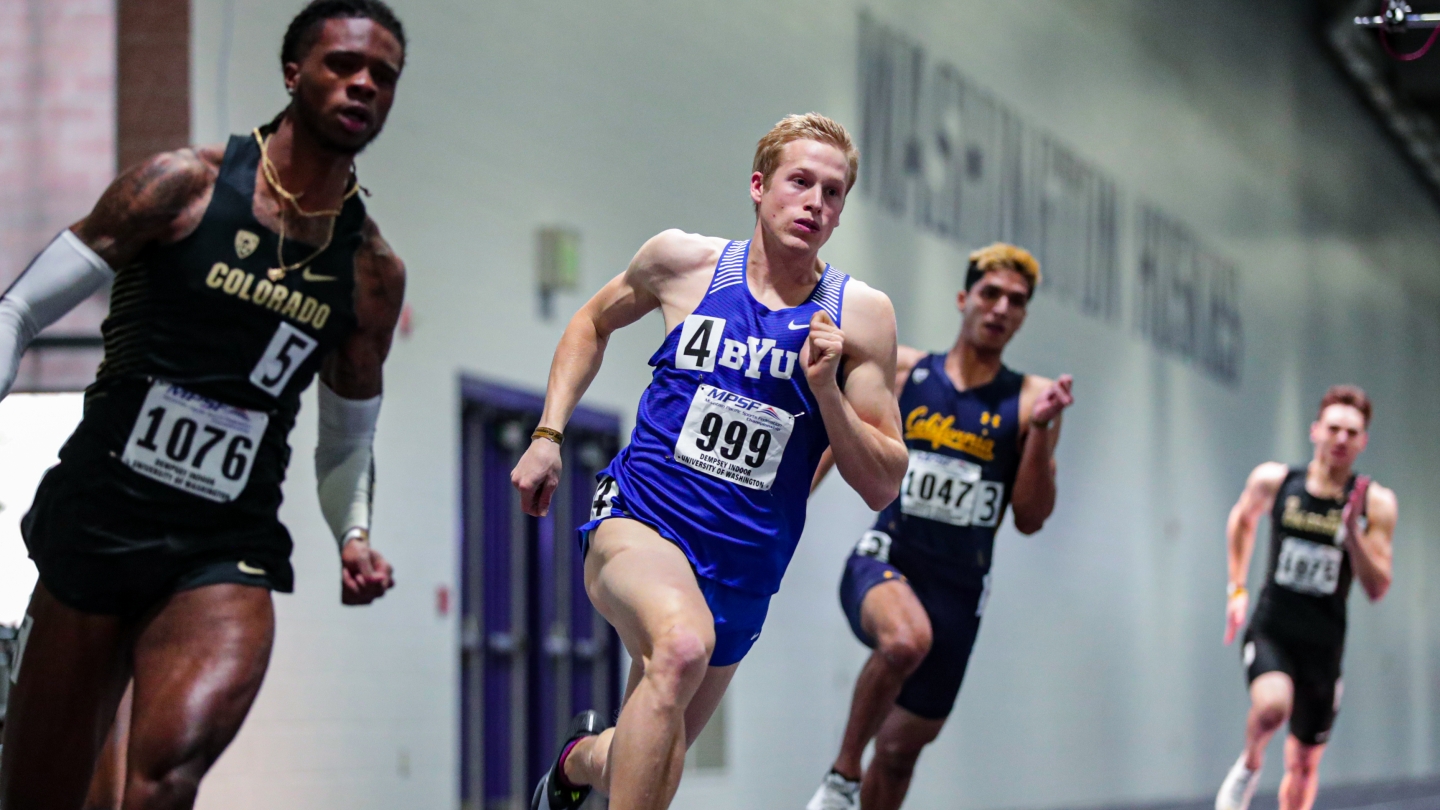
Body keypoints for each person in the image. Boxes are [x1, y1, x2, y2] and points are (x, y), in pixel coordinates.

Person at [0, 2, 408, 806]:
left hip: (224, 543)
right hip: (99, 518)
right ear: (294, 72)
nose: (362, 84)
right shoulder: (178, 187)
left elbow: (346, 440)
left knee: (165, 778)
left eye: (382, 75)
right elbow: (19, 310)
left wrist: (352, 534)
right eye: (342, 64)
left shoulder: (369, 271)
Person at [512, 113, 908, 810]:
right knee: (681, 648)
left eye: (834, 192)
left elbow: (882, 481)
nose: (816, 202)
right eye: (800, 182)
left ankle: (574, 765)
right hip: (641, 521)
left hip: (745, 568)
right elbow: (591, 322)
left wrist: (826, 392)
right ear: (760, 187)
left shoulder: (860, 316)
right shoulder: (683, 264)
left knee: (649, 759)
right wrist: (549, 434)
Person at [805, 243, 1074, 810]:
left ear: (1023, 316)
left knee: (902, 752)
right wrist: (789, 504)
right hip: (890, 556)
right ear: (964, 298)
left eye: (1017, 301)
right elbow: (838, 437)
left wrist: (1045, 432)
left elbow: (1030, 517)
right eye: (991, 294)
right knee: (905, 641)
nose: (1001, 308)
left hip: (960, 589)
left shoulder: (1030, 401)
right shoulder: (906, 370)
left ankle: (862, 780)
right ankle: (841, 777)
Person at [1215, 386, 1396, 810]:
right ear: (1315, 431)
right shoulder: (1276, 482)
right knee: (1271, 708)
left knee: (1303, 765)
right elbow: (1242, 521)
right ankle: (1250, 764)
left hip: (1324, 646)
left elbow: (1377, 586)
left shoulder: (1376, 503)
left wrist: (1353, 534)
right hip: (1273, 628)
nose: (1341, 439)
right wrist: (1236, 589)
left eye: (1352, 433)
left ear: (1363, 441)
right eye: (1333, 428)